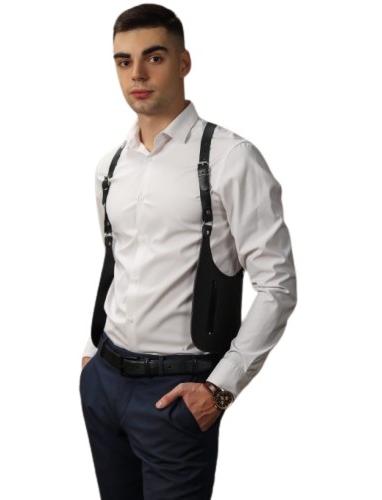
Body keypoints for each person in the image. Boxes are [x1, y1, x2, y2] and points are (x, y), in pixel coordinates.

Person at [79, 4, 297, 499]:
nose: (137, 74)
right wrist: (93, 356)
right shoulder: (110, 166)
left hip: (175, 393)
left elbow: (278, 286)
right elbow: (119, 265)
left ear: (183, 63)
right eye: (123, 61)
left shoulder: (229, 158)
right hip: (104, 383)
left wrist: (220, 389)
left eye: (153, 58)